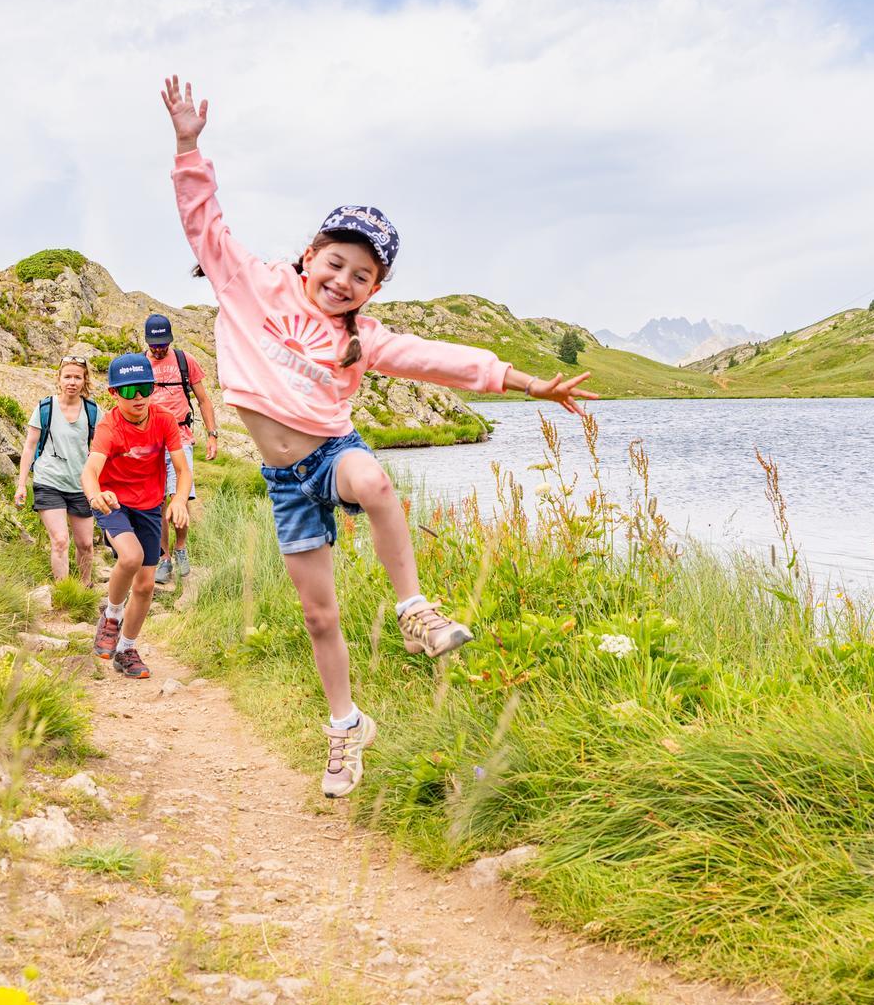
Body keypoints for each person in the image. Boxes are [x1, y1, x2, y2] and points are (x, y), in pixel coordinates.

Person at [160, 76, 597, 798]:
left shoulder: (361, 337)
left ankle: (414, 610)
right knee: (318, 615)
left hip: (331, 454)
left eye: (361, 276)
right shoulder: (250, 285)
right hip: (284, 482)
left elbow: (439, 359)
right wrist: (187, 147)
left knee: (373, 480)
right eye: (335, 264)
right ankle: (346, 727)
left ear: (374, 289)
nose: (342, 281)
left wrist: (526, 382)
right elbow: (203, 222)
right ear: (310, 255)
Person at [81, 352, 190, 680]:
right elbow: (90, 470)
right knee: (130, 557)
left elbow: (183, 469)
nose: (139, 397)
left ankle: (126, 650)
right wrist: (95, 495)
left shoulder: (164, 420)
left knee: (145, 586)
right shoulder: (109, 426)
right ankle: (112, 616)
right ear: (114, 393)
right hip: (113, 502)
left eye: (145, 388)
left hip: (149, 505)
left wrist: (179, 500)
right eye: (129, 391)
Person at [142, 312, 219, 586]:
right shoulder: (141, 364)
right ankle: (164, 558)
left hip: (181, 438)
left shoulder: (185, 361)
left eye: (163, 344)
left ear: (171, 339)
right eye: (154, 345)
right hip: (150, 441)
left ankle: (181, 548)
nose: (159, 349)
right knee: (157, 502)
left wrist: (212, 435)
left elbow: (203, 400)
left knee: (180, 497)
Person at [13, 355, 100, 583]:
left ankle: (84, 587)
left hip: (81, 485)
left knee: (85, 544)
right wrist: (21, 485)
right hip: (49, 481)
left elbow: (101, 448)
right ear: (59, 379)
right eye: (67, 376)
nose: (72, 382)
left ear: (85, 380)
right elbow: (30, 446)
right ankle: (64, 592)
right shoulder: (45, 408)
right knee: (60, 540)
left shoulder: (92, 410)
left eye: (77, 377)